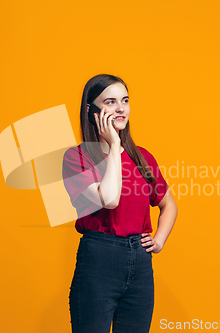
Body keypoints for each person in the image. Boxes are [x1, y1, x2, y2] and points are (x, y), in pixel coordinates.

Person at [62, 74, 178, 333]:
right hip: (98, 262)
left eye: (124, 100)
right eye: (110, 101)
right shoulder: (76, 158)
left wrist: (158, 240)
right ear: (91, 110)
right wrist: (115, 144)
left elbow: (169, 204)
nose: (120, 108)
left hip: (140, 265)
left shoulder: (142, 157)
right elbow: (110, 199)